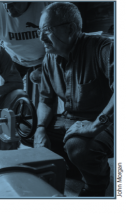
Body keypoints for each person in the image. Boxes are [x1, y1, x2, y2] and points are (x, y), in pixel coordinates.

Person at [34, 2, 114, 197]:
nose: (41, 37)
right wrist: (40, 128)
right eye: (39, 31)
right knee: (28, 133)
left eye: (47, 30)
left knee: (78, 146)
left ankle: (96, 185)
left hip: (106, 123)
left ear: (70, 29)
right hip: (69, 120)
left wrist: (94, 126)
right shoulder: (49, 59)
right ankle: (74, 167)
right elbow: (45, 100)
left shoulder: (103, 47)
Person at [0, 2, 47, 97]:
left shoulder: (45, 4)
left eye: (12, 2)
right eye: (4, 2)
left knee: (47, 95)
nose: (7, 7)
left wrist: (47, 66)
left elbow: (59, 41)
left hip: (45, 57)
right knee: (4, 97)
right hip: (14, 57)